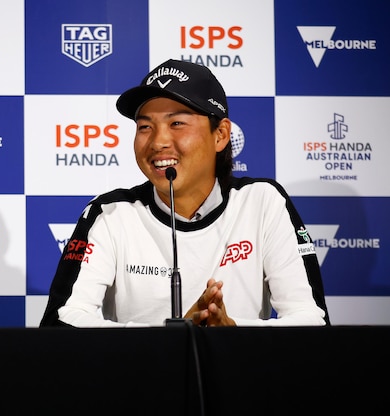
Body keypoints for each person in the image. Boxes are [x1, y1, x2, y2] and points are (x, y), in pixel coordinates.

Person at [40, 59, 330, 327]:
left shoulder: (263, 201)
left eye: (176, 123)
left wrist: (232, 331)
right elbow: (62, 320)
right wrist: (174, 335)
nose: (158, 141)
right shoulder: (111, 212)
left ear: (220, 135)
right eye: (144, 126)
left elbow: (311, 319)